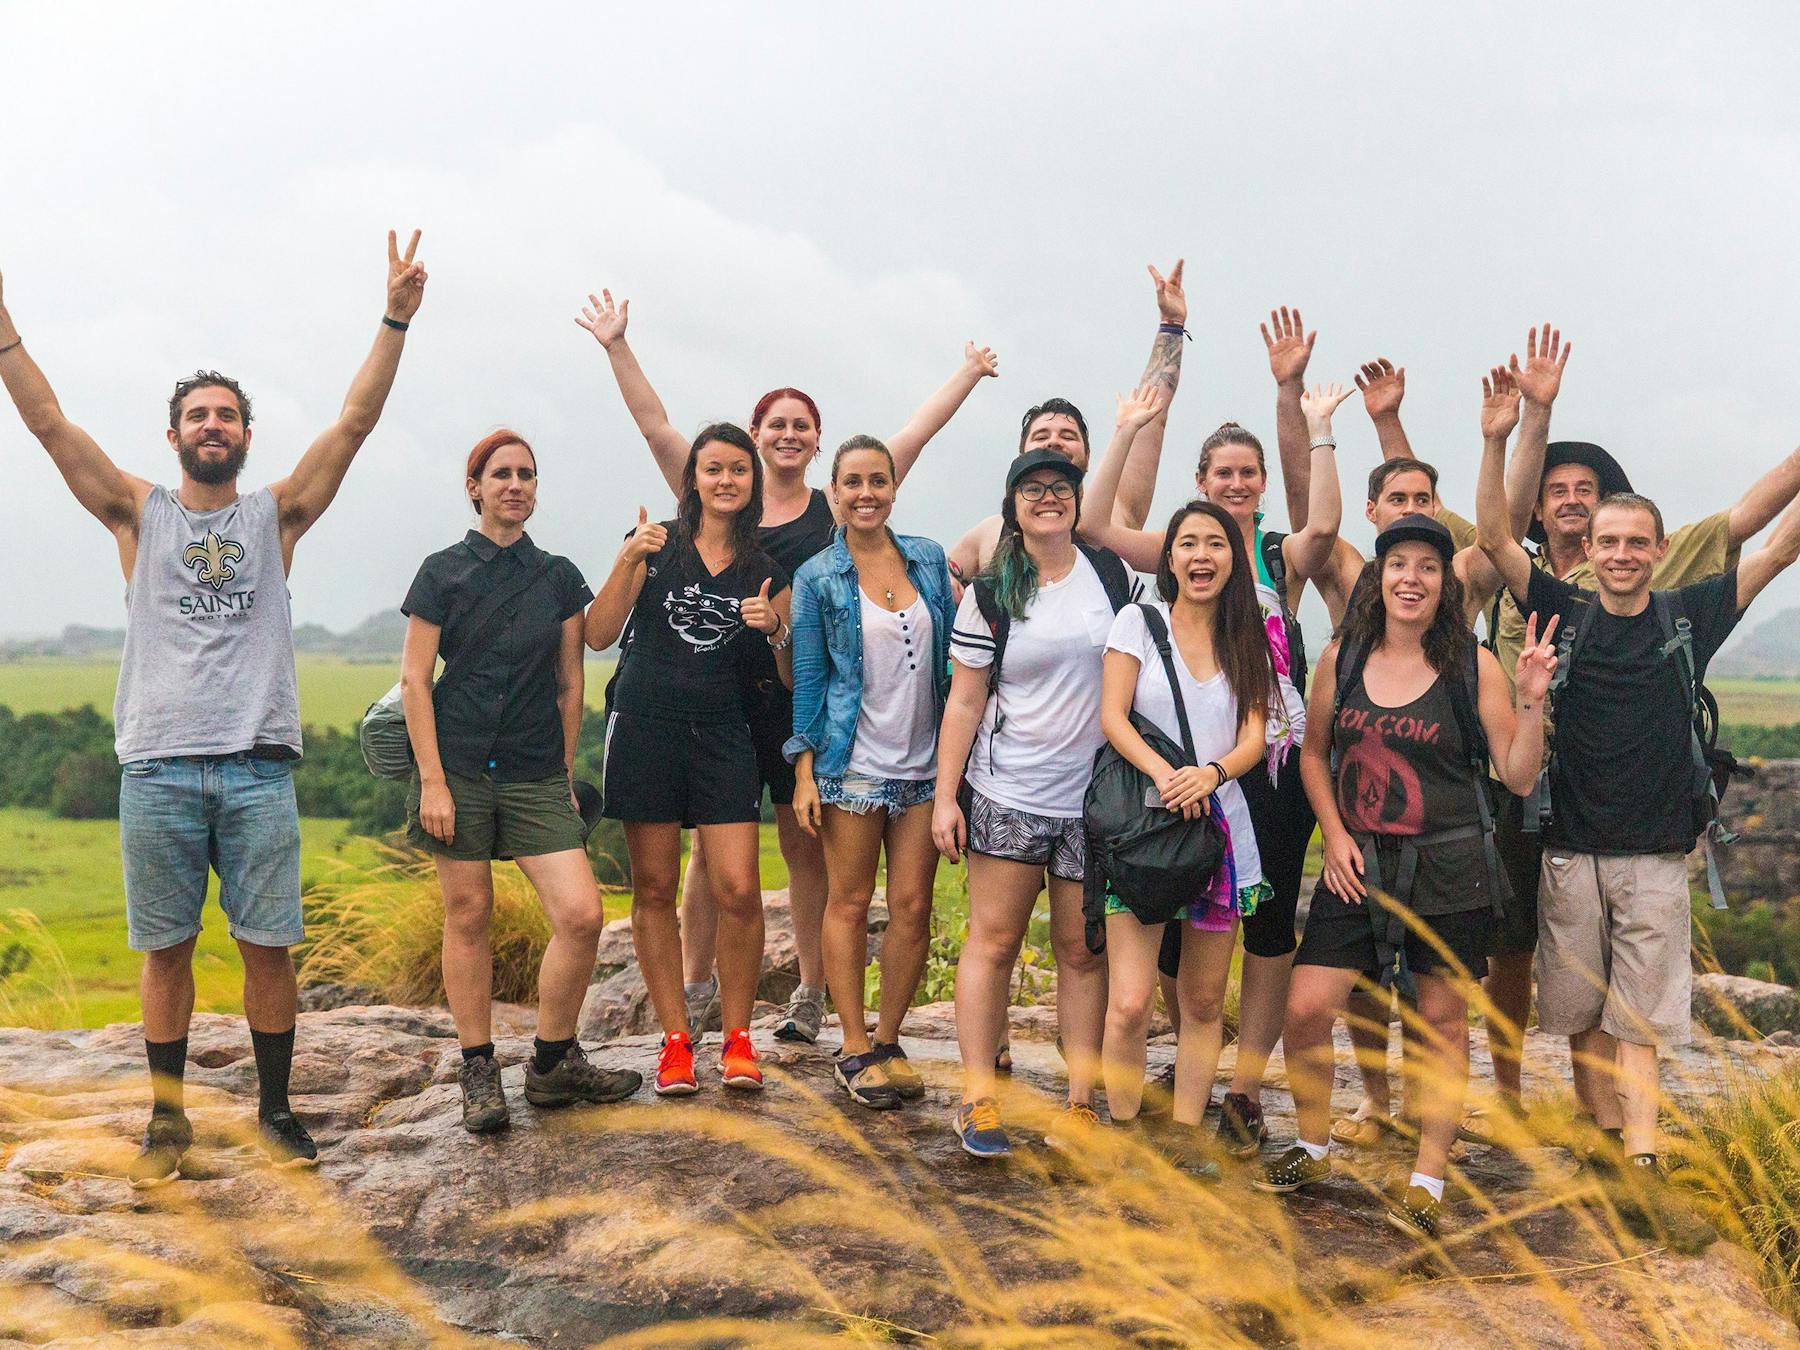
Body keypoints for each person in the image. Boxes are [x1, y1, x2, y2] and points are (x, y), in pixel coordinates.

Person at [0, 232, 425, 1187]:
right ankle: (168, 1121)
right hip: (156, 765)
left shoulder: (275, 518)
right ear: (174, 435)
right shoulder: (134, 513)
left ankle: (276, 1110)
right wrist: (4, 333)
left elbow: (354, 425)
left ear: (245, 434)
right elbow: (50, 426)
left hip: (255, 763)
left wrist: (395, 316)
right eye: (198, 413)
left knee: (266, 942)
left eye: (227, 414)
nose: (213, 425)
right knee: (166, 946)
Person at [577, 290, 996, 1048]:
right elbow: (654, 424)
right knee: (710, 853)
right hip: (723, 700)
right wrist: (616, 346)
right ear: (746, 442)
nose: (788, 435)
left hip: (807, 697)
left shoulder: (837, 503)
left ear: (821, 445)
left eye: (803, 425)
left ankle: (808, 990)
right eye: (777, 424)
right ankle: (698, 989)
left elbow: (914, 436)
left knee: (804, 848)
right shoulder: (713, 487)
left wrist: (966, 373)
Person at [1476, 415, 1800, 1239]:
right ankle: (1608, 1137)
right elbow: (1492, 536)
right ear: (1591, 551)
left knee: (1642, 1019)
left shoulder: (1689, 614)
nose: (1620, 553)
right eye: (1609, 541)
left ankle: (1644, 1150)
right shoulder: (1561, 609)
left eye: (1636, 542)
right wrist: (1497, 438)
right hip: (1570, 849)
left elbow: (1775, 550)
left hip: (1655, 854)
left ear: (1658, 551)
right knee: (1582, 1014)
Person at [1299, 329, 1568, 1149]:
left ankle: (1429, 1147)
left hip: (1448, 828)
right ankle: (1374, 1108)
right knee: (1347, 996)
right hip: (1362, 836)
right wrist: (1312, 421)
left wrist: (1519, 426)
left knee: (1439, 1001)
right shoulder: (1347, 600)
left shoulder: (1468, 635)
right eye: (1398, 549)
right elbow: (1315, 521)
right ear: (1376, 552)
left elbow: (1500, 525)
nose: (1411, 570)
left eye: (1427, 550)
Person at [1253, 511, 1554, 1241]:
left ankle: (1426, 1177)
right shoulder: (1342, 658)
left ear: (1442, 584)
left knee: (1441, 1025)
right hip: (1359, 864)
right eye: (1398, 565)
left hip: (1450, 866)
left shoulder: (1471, 665)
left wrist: (1533, 697)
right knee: (1305, 1007)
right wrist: (1333, 832)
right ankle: (1315, 1144)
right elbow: (1315, 753)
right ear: (1378, 578)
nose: (1411, 579)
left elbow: (1517, 776)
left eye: (1427, 567)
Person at [1081, 364, 1347, 1158]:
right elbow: (1112, 710)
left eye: (1247, 472)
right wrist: (1130, 423)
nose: (1203, 552)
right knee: (1144, 984)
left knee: (1229, 966)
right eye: (1221, 475)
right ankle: (1141, 1117)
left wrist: (1316, 422)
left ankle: (1215, 1114)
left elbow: (1324, 529)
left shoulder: (1264, 591)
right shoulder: (1154, 590)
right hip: (1153, 802)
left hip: (1243, 804)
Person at [400, 430, 644, 1133]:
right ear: (474, 487)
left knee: (581, 914)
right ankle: (479, 1070)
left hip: (538, 770)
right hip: (460, 767)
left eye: (527, 475)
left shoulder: (558, 576)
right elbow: (416, 680)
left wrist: (565, 774)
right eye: (501, 474)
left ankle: (551, 1063)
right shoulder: (442, 571)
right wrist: (432, 782)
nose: (516, 485)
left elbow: (572, 684)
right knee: (469, 913)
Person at [934, 451, 1142, 1158]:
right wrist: (945, 799)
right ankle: (978, 1098)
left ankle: (1080, 1101)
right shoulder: (992, 591)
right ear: (1013, 504)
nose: (1048, 500)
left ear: (1078, 503)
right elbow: (964, 701)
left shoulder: (1110, 576)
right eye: (1033, 490)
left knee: (1083, 952)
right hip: (1010, 791)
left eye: (1060, 489)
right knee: (994, 942)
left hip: (1093, 798)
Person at [585, 424, 793, 1095]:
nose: (726, 480)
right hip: (645, 728)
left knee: (737, 889)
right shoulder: (656, 545)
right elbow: (597, 634)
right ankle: (675, 1042)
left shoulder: (768, 569)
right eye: (713, 469)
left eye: (739, 469)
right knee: (653, 889)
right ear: (693, 479)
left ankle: (737, 1039)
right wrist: (627, 560)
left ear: (753, 482)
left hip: (725, 734)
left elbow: (787, 675)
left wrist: (777, 631)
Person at [1095, 498, 1277, 1171]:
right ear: (1168, 558)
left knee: (1202, 1000)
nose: (1202, 556)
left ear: (1234, 557)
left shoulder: (1246, 636)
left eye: (1216, 544)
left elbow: (1256, 735)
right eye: (1188, 543)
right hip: (1144, 828)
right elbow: (1113, 716)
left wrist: (1211, 773)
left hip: (1221, 833)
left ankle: (1180, 1138)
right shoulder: (1137, 622)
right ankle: (1120, 1135)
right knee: (1131, 1000)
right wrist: (1169, 774)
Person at [785, 436, 956, 1108]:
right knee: (850, 903)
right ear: (834, 492)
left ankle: (888, 1039)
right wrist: (804, 772)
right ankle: (852, 1045)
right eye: (852, 482)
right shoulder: (817, 576)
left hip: (923, 767)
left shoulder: (929, 559)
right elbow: (808, 677)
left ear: (893, 488)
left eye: (877, 481)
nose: (866, 493)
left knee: (913, 907)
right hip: (850, 764)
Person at [947, 260, 1188, 583]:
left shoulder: (1116, 511)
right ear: (1021, 457)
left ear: (1088, 456)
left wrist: (1171, 325)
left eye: (1067, 435)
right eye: (1042, 435)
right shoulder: (988, 535)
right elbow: (934, 588)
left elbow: (1151, 415)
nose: (1054, 441)